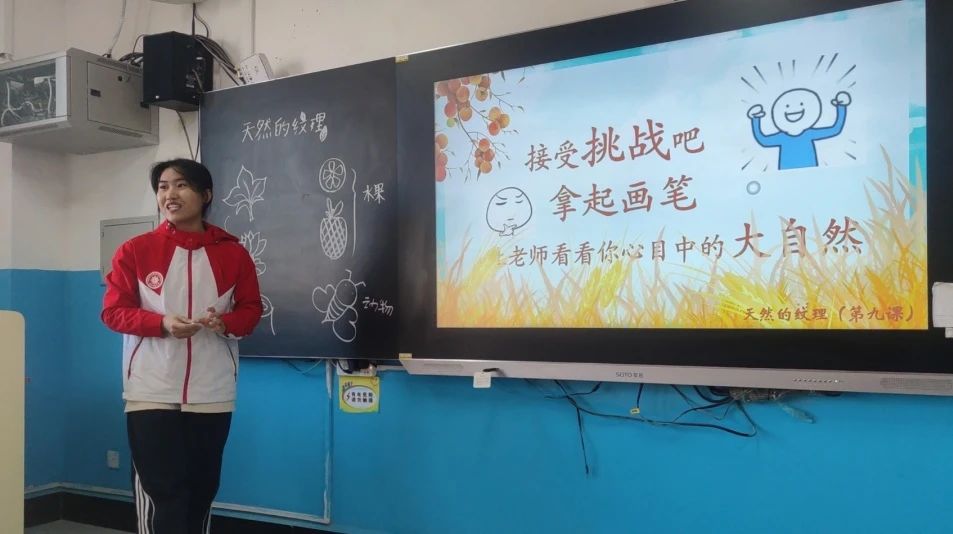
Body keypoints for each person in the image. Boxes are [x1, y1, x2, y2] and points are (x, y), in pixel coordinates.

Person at [101, 158, 262, 534]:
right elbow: (113, 312)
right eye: (162, 187)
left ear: (206, 195)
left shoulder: (233, 253)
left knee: (201, 491)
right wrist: (162, 324)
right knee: (162, 493)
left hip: (212, 392)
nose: (169, 194)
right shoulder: (135, 250)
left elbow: (251, 310)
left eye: (181, 185)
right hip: (151, 391)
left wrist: (224, 323)